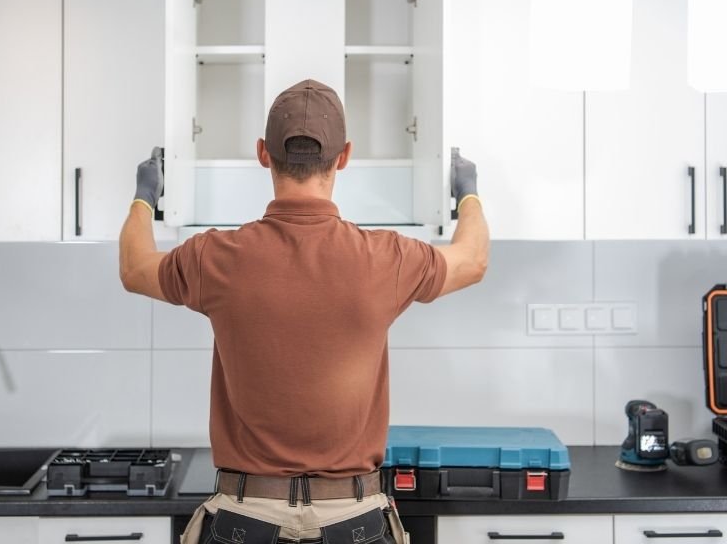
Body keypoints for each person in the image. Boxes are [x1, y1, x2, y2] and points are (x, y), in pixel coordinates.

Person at [120, 79, 489, 544]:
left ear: (262, 153)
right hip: (353, 520)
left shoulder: (215, 257)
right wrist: (467, 193)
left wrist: (144, 196)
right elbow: (472, 260)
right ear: (345, 156)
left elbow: (134, 269)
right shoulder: (386, 258)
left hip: (244, 518)